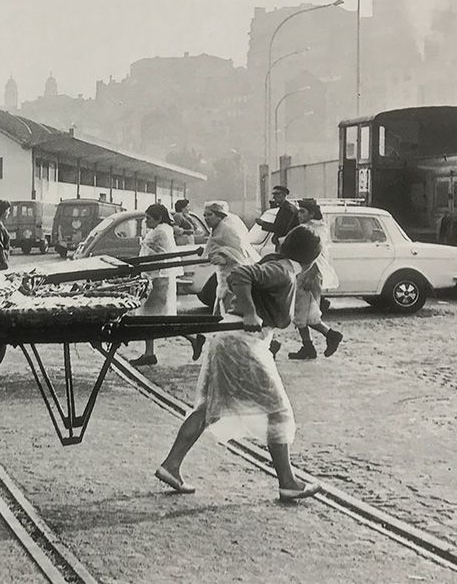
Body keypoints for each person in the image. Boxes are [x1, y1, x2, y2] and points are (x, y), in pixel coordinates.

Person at [153, 225, 325, 502]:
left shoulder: (277, 264)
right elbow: (240, 273)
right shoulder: (282, 270)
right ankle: (288, 482)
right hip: (242, 341)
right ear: (312, 257)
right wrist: (250, 311)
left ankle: (171, 465)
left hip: (230, 338)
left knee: (209, 407)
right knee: (279, 411)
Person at [129, 204, 204, 367]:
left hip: (159, 280)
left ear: (158, 218)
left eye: (149, 218)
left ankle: (193, 338)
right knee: (151, 318)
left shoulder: (160, 232)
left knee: (158, 318)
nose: (146, 221)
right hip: (157, 277)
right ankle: (149, 353)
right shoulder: (163, 229)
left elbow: (149, 254)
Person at [283, 198, 343, 360]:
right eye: (299, 211)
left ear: (312, 213)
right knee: (306, 314)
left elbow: (319, 257)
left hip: (310, 274)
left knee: (302, 313)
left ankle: (326, 337)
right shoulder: (307, 228)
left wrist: (310, 276)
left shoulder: (317, 229)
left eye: (303, 212)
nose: (299, 215)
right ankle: (312, 345)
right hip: (303, 272)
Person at [202, 201, 260, 314]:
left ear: (219, 216)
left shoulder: (227, 229)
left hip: (234, 272)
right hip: (223, 272)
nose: (206, 218)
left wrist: (226, 259)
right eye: (205, 215)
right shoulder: (215, 229)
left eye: (210, 215)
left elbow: (240, 253)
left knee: (229, 303)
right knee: (222, 301)